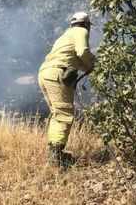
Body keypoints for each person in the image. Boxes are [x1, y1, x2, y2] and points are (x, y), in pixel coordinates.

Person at [38, 11, 96, 168]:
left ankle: (54, 152)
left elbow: (77, 60)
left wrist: (90, 68)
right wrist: (96, 63)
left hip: (45, 73)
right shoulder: (81, 31)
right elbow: (83, 52)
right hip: (57, 73)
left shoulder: (65, 36)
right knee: (64, 115)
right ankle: (56, 156)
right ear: (85, 25)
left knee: (57, 114)